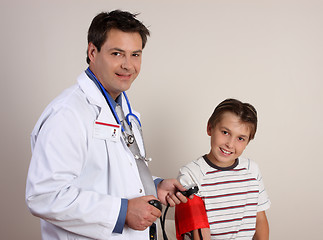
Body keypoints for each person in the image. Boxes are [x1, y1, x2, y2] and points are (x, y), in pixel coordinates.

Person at [26, 10, 188, 240]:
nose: (128, 65)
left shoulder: (122, 110)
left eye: (135, 54)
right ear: (93, 52)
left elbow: (108, 177)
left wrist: (155, 186)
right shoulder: (68, 114)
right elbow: (44, 195)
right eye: (117, 53)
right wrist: (122, 212)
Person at [175, 98, 271, 240]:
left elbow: (260, 220)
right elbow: (197, 230)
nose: (230, 144)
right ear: (210, 128)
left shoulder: (252, 170)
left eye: (240, 138)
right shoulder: (191, 174)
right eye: (225, 132)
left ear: (248, 142)